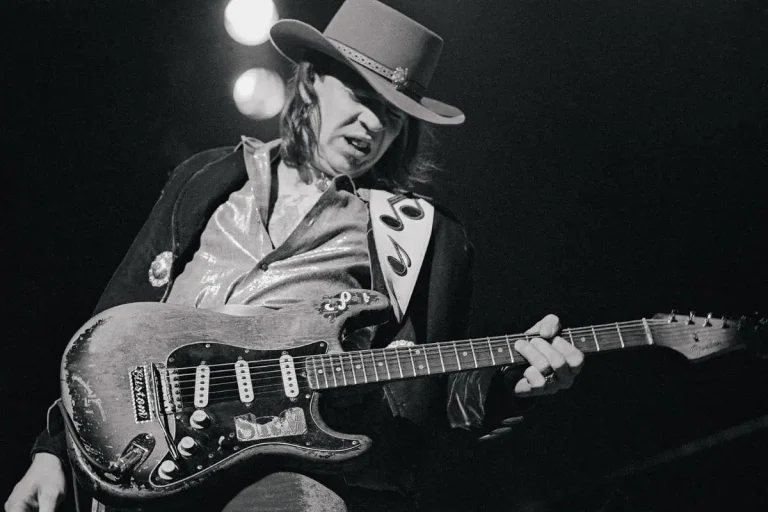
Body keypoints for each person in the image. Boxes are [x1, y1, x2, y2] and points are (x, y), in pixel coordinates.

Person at [5, 1, 584, 511]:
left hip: (285, 474)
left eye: (392, 112)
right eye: (360, 97)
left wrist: (512, 383)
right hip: (140, 459)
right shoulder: (207, 176)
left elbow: (433, 396)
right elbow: (113, 321)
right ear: (312, 82)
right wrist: (54, 451)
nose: (373, 123)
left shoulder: (423, 236)